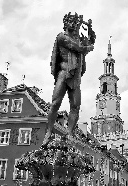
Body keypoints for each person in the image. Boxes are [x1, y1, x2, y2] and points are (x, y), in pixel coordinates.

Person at [41, 12, 95, 148]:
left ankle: (69, 133)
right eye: (70, 20)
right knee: (55, 103)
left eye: (75, 21)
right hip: (63, 73)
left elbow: (91, 40)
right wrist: (88, 48)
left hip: (75, 76)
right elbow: (78, 48)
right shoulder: (62, 37)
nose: (73, 23)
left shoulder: (79, 39)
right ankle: (48, 131)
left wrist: (89, 28)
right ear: (65, 22)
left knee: (76, 106)